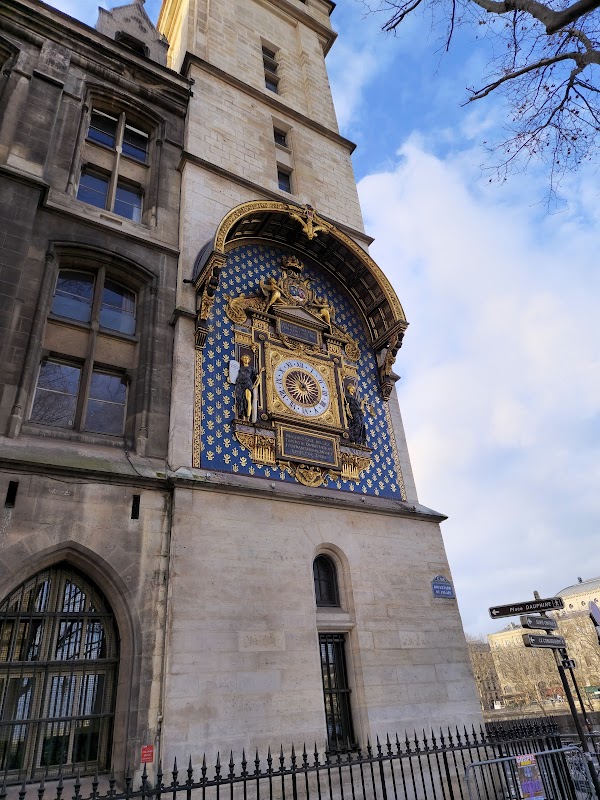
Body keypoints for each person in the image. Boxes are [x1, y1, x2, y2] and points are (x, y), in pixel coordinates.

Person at [235, 355, 262, 421]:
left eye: (247, 358)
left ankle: (248, 417)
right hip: (240, 385)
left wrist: (255, 385)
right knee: (242, 400)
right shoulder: (240, 369)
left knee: (248, 399)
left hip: (248, 384)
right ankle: (243, 416)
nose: (246, 359)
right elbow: (236, 377)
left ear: (249, 360)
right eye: (244, 358)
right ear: (242, 359)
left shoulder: (251, 368)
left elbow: (258, 378)